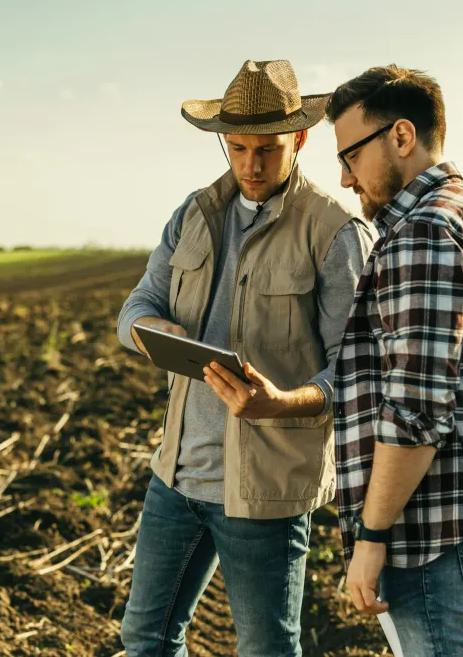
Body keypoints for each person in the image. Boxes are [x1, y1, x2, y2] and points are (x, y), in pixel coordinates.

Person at [116, 59, 373, 657]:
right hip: (177, 474)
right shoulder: (194, 214)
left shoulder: (333, 232)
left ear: (300, 139)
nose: (251, 165)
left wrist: (282, 403)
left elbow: (359, 369)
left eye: (268, 150)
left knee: (266, 650)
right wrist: (150, 328)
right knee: (145, 638)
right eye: (237, 148)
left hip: (267, 489)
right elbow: (136, 307)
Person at [327, 65, 463, 656]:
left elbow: (416, 410)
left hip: (435, 540)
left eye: (350, 155)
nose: (345, 179)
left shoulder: (424, 233)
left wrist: (371, 536)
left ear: (402, 136)